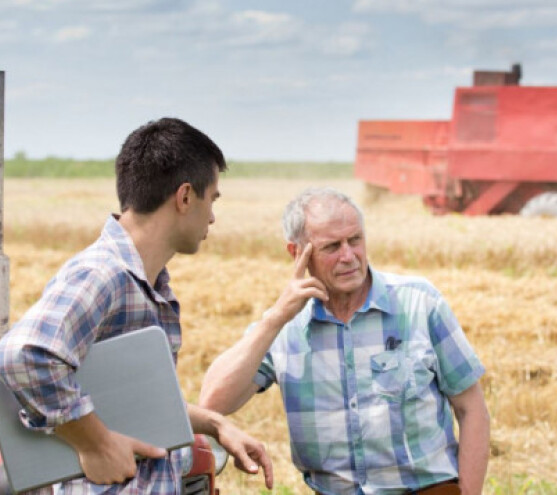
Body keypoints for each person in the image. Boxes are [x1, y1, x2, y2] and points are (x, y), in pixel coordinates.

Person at [0, 117, 273, 493]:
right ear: (186, 197)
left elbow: (128, 404)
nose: (212, 217)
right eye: (213, 199)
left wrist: (215, 424)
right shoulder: (103, 274)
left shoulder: (147, 282)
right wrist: (96, 443)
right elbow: (23, 354)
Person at [199, 187, 490, 495]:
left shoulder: (420, 303)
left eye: (355, 240)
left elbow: (472, 409)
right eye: (332, 247)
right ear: (297, 253)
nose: (348, 256)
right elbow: (213, 402)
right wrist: (274, 319)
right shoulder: (286, 328)